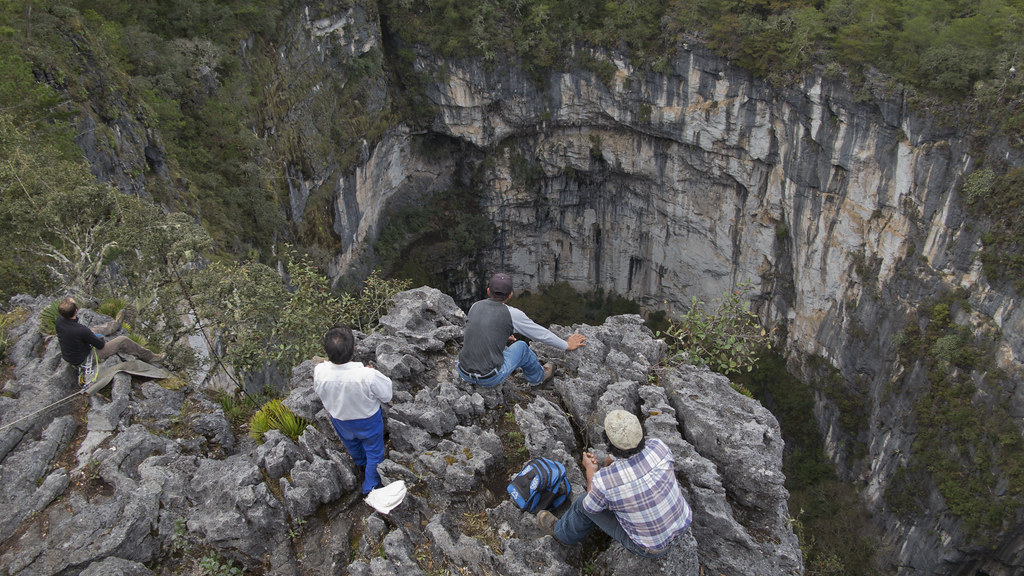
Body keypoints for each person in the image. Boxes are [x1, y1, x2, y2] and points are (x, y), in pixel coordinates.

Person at [537, 410, 693, 558]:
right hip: (683, 523)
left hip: (652, 548)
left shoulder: (604, 481)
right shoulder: (658, 446)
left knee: (580, 503)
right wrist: (611, 460)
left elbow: (590, 507)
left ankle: (562, 534)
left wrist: (590, 470)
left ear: (607, 441)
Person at [457, 273, 586, 388]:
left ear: (488, 291)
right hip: (489, 378)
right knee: (522, 347)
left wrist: (501, 335)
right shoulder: (512, 314)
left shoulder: (475, 306)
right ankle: (538, 379)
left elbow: (477, 329)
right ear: (510, 295)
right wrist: (566, 345)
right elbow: (541, 334)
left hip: (463, 371)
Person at [313, 324, 393, 495]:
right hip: (368, 421)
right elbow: (387, 395)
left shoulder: (320, 371)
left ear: (325, 350)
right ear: (354, 348)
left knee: (353, 445)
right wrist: (370, 372)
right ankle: (371, 485)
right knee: (375, 451)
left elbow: (320, 391)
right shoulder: (367, 375)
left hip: (340, 419)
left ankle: (361, 464)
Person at [55, 297, 163, 368]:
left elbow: (80, 333)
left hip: (71, 354)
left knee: (94, 330)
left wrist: (90, 336)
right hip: (84, 358)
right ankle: (151, 357)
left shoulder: (60, 321)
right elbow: (100, 345)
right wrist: (98, 338)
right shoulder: (80, 330)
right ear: (76, 310)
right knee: (122, 340)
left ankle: (115, 324)